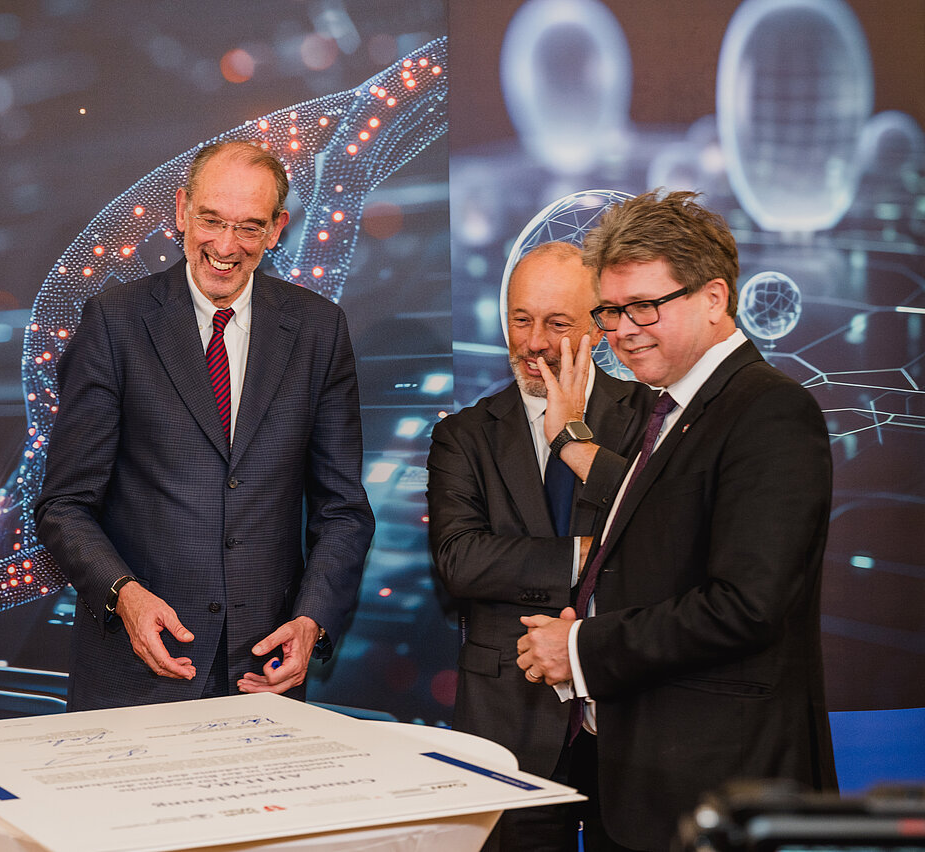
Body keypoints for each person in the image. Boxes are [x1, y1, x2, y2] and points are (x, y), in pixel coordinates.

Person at [517, 191, 837, 851]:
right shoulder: (673, 407)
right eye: (610, 310)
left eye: (645, 307)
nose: (622, 330)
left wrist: (580, 649)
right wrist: (573, 442)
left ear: (714, 298)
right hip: (643, 784)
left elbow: (744, 606)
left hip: (717, 792)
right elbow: (664, 511)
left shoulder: (770, 411)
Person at [36, 141, 374, 710]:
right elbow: (63, 505)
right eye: (211, 221)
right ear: (180, 211)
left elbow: (342, 508)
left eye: (248, 227)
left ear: (276, 229)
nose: (224, 246)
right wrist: (124, 595)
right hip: (137, 670)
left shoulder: (319, 330)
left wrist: (312, 617)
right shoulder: (115, 322)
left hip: (264, 672)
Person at [427, 242, 652, 852]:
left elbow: (666, 543)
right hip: (509, 718)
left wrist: (574, 434)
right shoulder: (463, 436)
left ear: (599, 329)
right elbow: (460, 561)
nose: (533, 343)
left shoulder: (650, 421)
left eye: (557, 324)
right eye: (521, 320)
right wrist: (593, 556)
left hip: (631, 716)